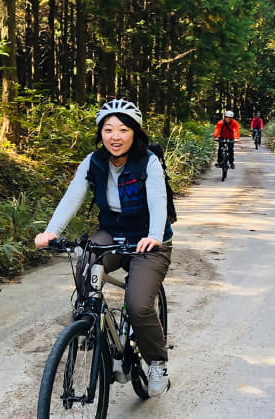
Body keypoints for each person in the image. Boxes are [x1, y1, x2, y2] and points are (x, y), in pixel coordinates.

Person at [34, 99, 173, 397]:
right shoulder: (93, 161)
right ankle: (87, 324)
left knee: (138, 306)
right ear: (101, 133)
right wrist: (51, 232)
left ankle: (157, 362)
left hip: (149, 241)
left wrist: (154, 234)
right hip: (111, 233)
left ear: (135, 133)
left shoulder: (147, 160)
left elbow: (158, 201)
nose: (115, 136)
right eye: (108, 129)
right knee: (85, 263)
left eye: (123, 129)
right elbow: (72, 198)